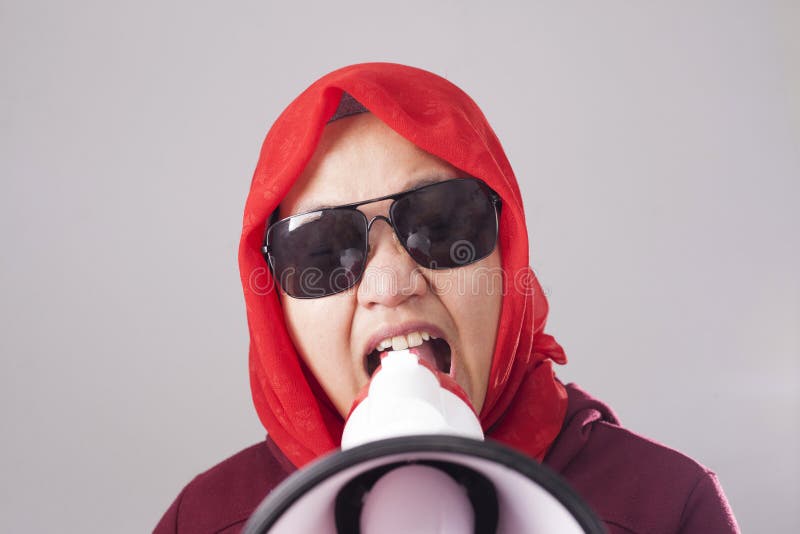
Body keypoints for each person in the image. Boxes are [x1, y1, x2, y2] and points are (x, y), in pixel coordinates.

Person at [154, 63, 739, 533]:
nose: (390, 284)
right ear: (274, 307)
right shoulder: (205, 521)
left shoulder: (667, 507)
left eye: (441, 221)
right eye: (321, 249)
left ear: (507, 250)